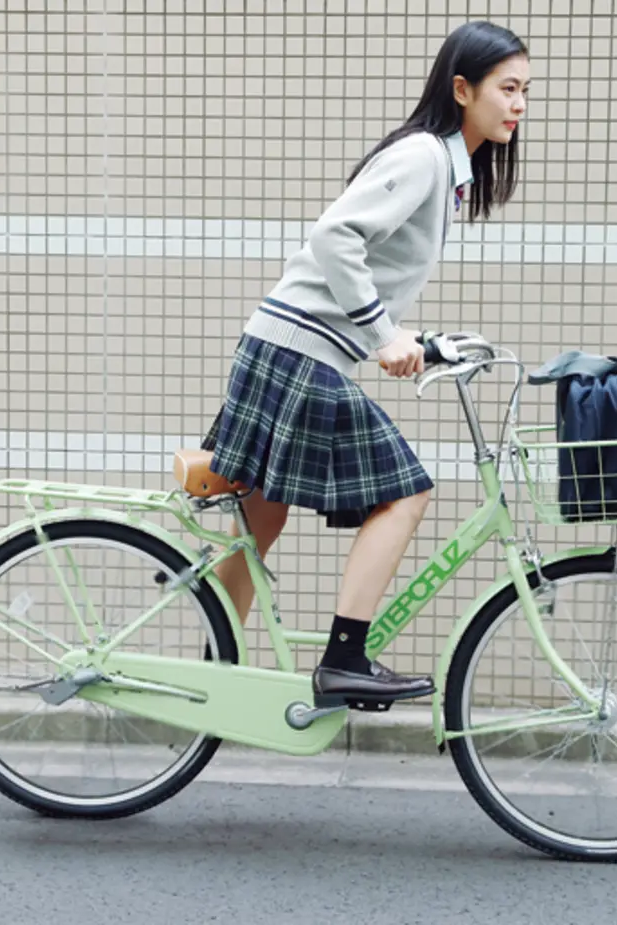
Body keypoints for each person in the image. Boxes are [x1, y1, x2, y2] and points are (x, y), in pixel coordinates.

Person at [201, 20, 531, 707]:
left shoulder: (447, 168)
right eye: (507, 88)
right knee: (406, 489)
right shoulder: (425, 158)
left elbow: (360, 271)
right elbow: (335, 237)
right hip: (299, 354)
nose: (519, 104)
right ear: (462, 88)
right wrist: (382, 335)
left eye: (525, 90)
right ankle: (345, 657)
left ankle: (211, 672)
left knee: (262, 518)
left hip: (283, 345)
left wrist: (417, 338)